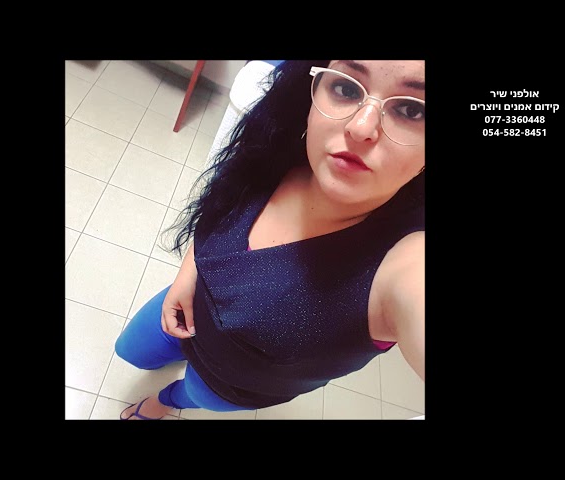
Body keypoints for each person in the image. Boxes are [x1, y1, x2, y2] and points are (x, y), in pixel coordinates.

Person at [115, 60, 425, 420]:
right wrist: (188, 274)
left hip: (228, 382)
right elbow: (218, 209)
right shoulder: (278, 147)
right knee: (129, 350)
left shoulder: (405, 262)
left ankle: (166, 402)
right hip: (184, 301)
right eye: (345, 88)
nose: (360, 127)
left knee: (188, 394)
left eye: (411, 110)